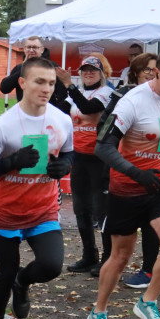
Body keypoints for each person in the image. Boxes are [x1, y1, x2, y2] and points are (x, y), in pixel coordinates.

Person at [87, 49, 160, 319]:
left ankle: (148, 302)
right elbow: (103, 147)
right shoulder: (131, 102)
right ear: (156, 72)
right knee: (120, 256)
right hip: (127, 189)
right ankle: (99, 311)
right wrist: (136, 173)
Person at [0, 57, 73, 319]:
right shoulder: (4, 125)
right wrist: (12, 161)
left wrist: (63, 168)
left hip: (43, 210)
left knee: (52, 265)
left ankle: (23, 281)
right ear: (23, 83)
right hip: (7, 212)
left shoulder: (61, 119)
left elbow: (69, 154)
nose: (46, 89)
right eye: (40, 82)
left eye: (52, 83)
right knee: (4, 271)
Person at [97, 52, 160, 290]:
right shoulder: (124, 95)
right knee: (114, 221)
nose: (150, 73)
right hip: (121, 169)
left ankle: (148, 271)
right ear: (135, 72)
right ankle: (109, 264)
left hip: (155, 168)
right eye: (146, 69)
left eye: (154, 69)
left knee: (152, 222)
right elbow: (103, 128)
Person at [65, 54, 113, 275]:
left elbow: (87, 108)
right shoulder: (77, 92)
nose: (88, 73)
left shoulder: (106, 92)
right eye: (84, 70)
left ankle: (108, 258)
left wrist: (69, 87)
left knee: (101, 209)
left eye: (93, 70)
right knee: (81, 208)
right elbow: (59, 108)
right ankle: (89, 254)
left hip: (99, 159)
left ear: (102, 73)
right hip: (79, 157)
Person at [0, 36, 71, 113]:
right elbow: (4, 88)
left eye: (35, 47)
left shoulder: (52, 67)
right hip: (24, 113)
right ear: (24, 49)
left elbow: (62, 94)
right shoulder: (19, 68)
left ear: (42, 50)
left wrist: (55, 112)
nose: (31, 50)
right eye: (29, 47)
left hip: (46, 114)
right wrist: (24, 68)